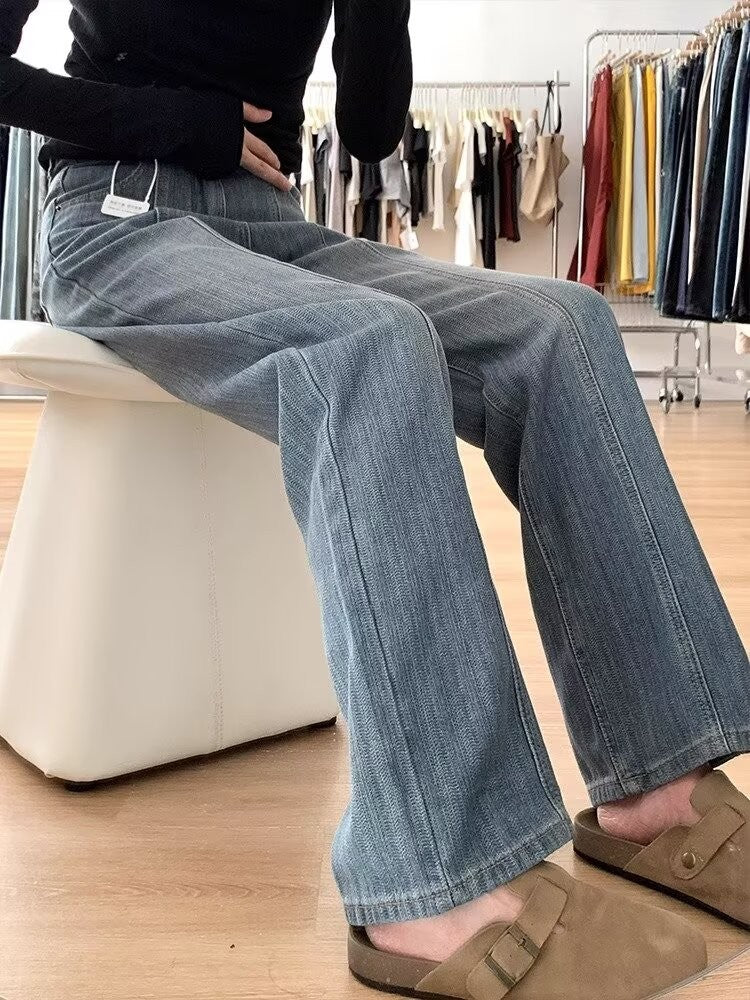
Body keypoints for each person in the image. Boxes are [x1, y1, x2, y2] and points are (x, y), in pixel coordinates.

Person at [2, 3, 749, 998]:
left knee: (562, 327)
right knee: (373, 349)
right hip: (116, 216)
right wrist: (165, 121)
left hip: (272, 223)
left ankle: (665, 790)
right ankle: (433, 878)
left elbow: (366, 129)